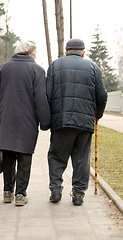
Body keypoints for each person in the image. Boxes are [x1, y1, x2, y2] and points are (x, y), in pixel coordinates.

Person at [0, 40, 51, 206]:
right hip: (27, 121)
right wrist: (45, 122)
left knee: (7, 155)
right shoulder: (37, 70)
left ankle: (7, 192)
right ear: (30, 53)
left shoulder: (4, 67)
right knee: (24, 156)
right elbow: (40, 99)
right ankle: (20, 194)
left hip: (4, 120)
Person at [46, 39, 107, 206]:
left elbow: (47, 94)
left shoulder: (55, 66)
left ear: (66, 51)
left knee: (57, 156)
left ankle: (56, 190)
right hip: (84, 123)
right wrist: (97, 116)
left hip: (61, 120)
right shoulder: (93, 68)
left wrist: (48, 119)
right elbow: (102, 96)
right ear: (83, 52)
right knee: (81, 159)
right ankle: (78, 194)